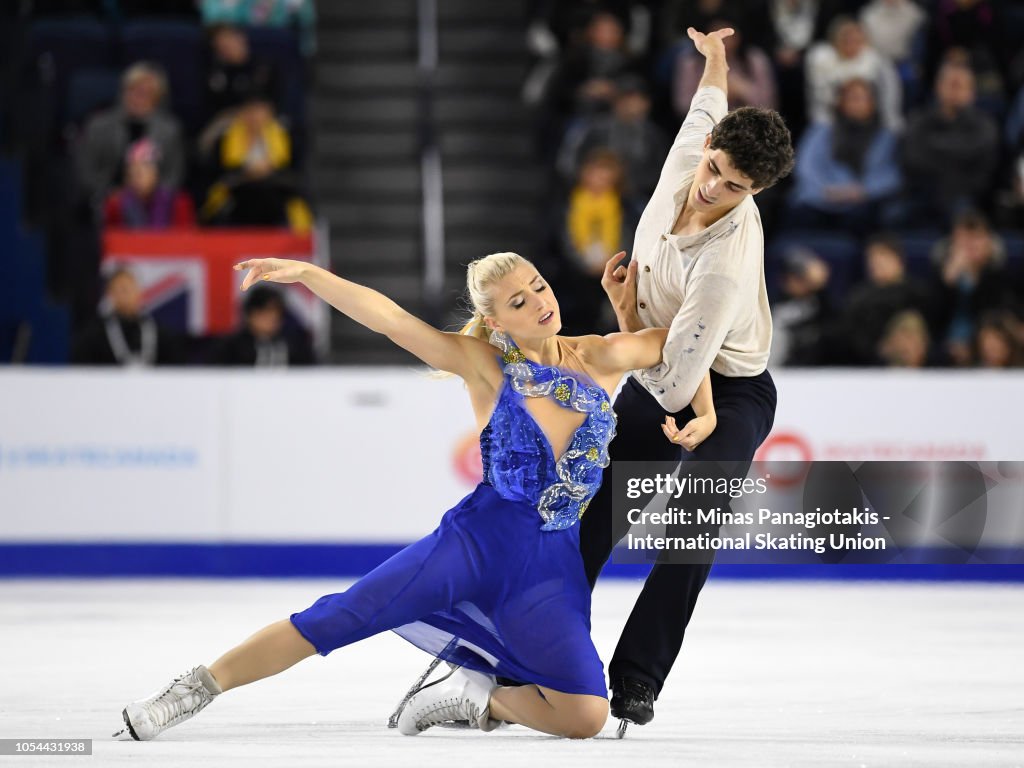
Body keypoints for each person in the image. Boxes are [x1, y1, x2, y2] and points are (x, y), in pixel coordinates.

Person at [113, 252, 719, 741]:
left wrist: (704, 408)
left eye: (538, 286)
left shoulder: (602, 355)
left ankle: (480, 700)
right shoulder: (484, 364)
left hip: (550, 567)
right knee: (337, 617)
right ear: (496, 321)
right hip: (474, 543)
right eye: (518, 301)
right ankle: (192, 689)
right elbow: (389, 320)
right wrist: (307, 274)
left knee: (586, 716)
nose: (539, 303)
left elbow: (692, 340)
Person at [582, 25, 792, 728]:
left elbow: (679, 379)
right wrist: (717, 60)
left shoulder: (726, 262)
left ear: (756, 189)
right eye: (715, 171)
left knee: (693, 524)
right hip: (660, 359)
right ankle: (537, 641)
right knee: (597, 516)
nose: (714, 190)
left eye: (736, 188)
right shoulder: (690, 159)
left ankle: (637, 676)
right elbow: (707, 105)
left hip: (729, 388)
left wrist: (698, 416)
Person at [71, 267, 185, 366]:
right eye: (120, 289)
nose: (125, 294)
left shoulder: (160, 333)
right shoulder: (94, 334)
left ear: (139, 291)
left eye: (128, 288)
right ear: (110, 294)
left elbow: (175, 369)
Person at [215, 285, 315, 366]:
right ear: (250, 314)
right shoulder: (231, 347)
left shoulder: (295, 345)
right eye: (266, 312)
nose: (273, 317)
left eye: (277, 312)